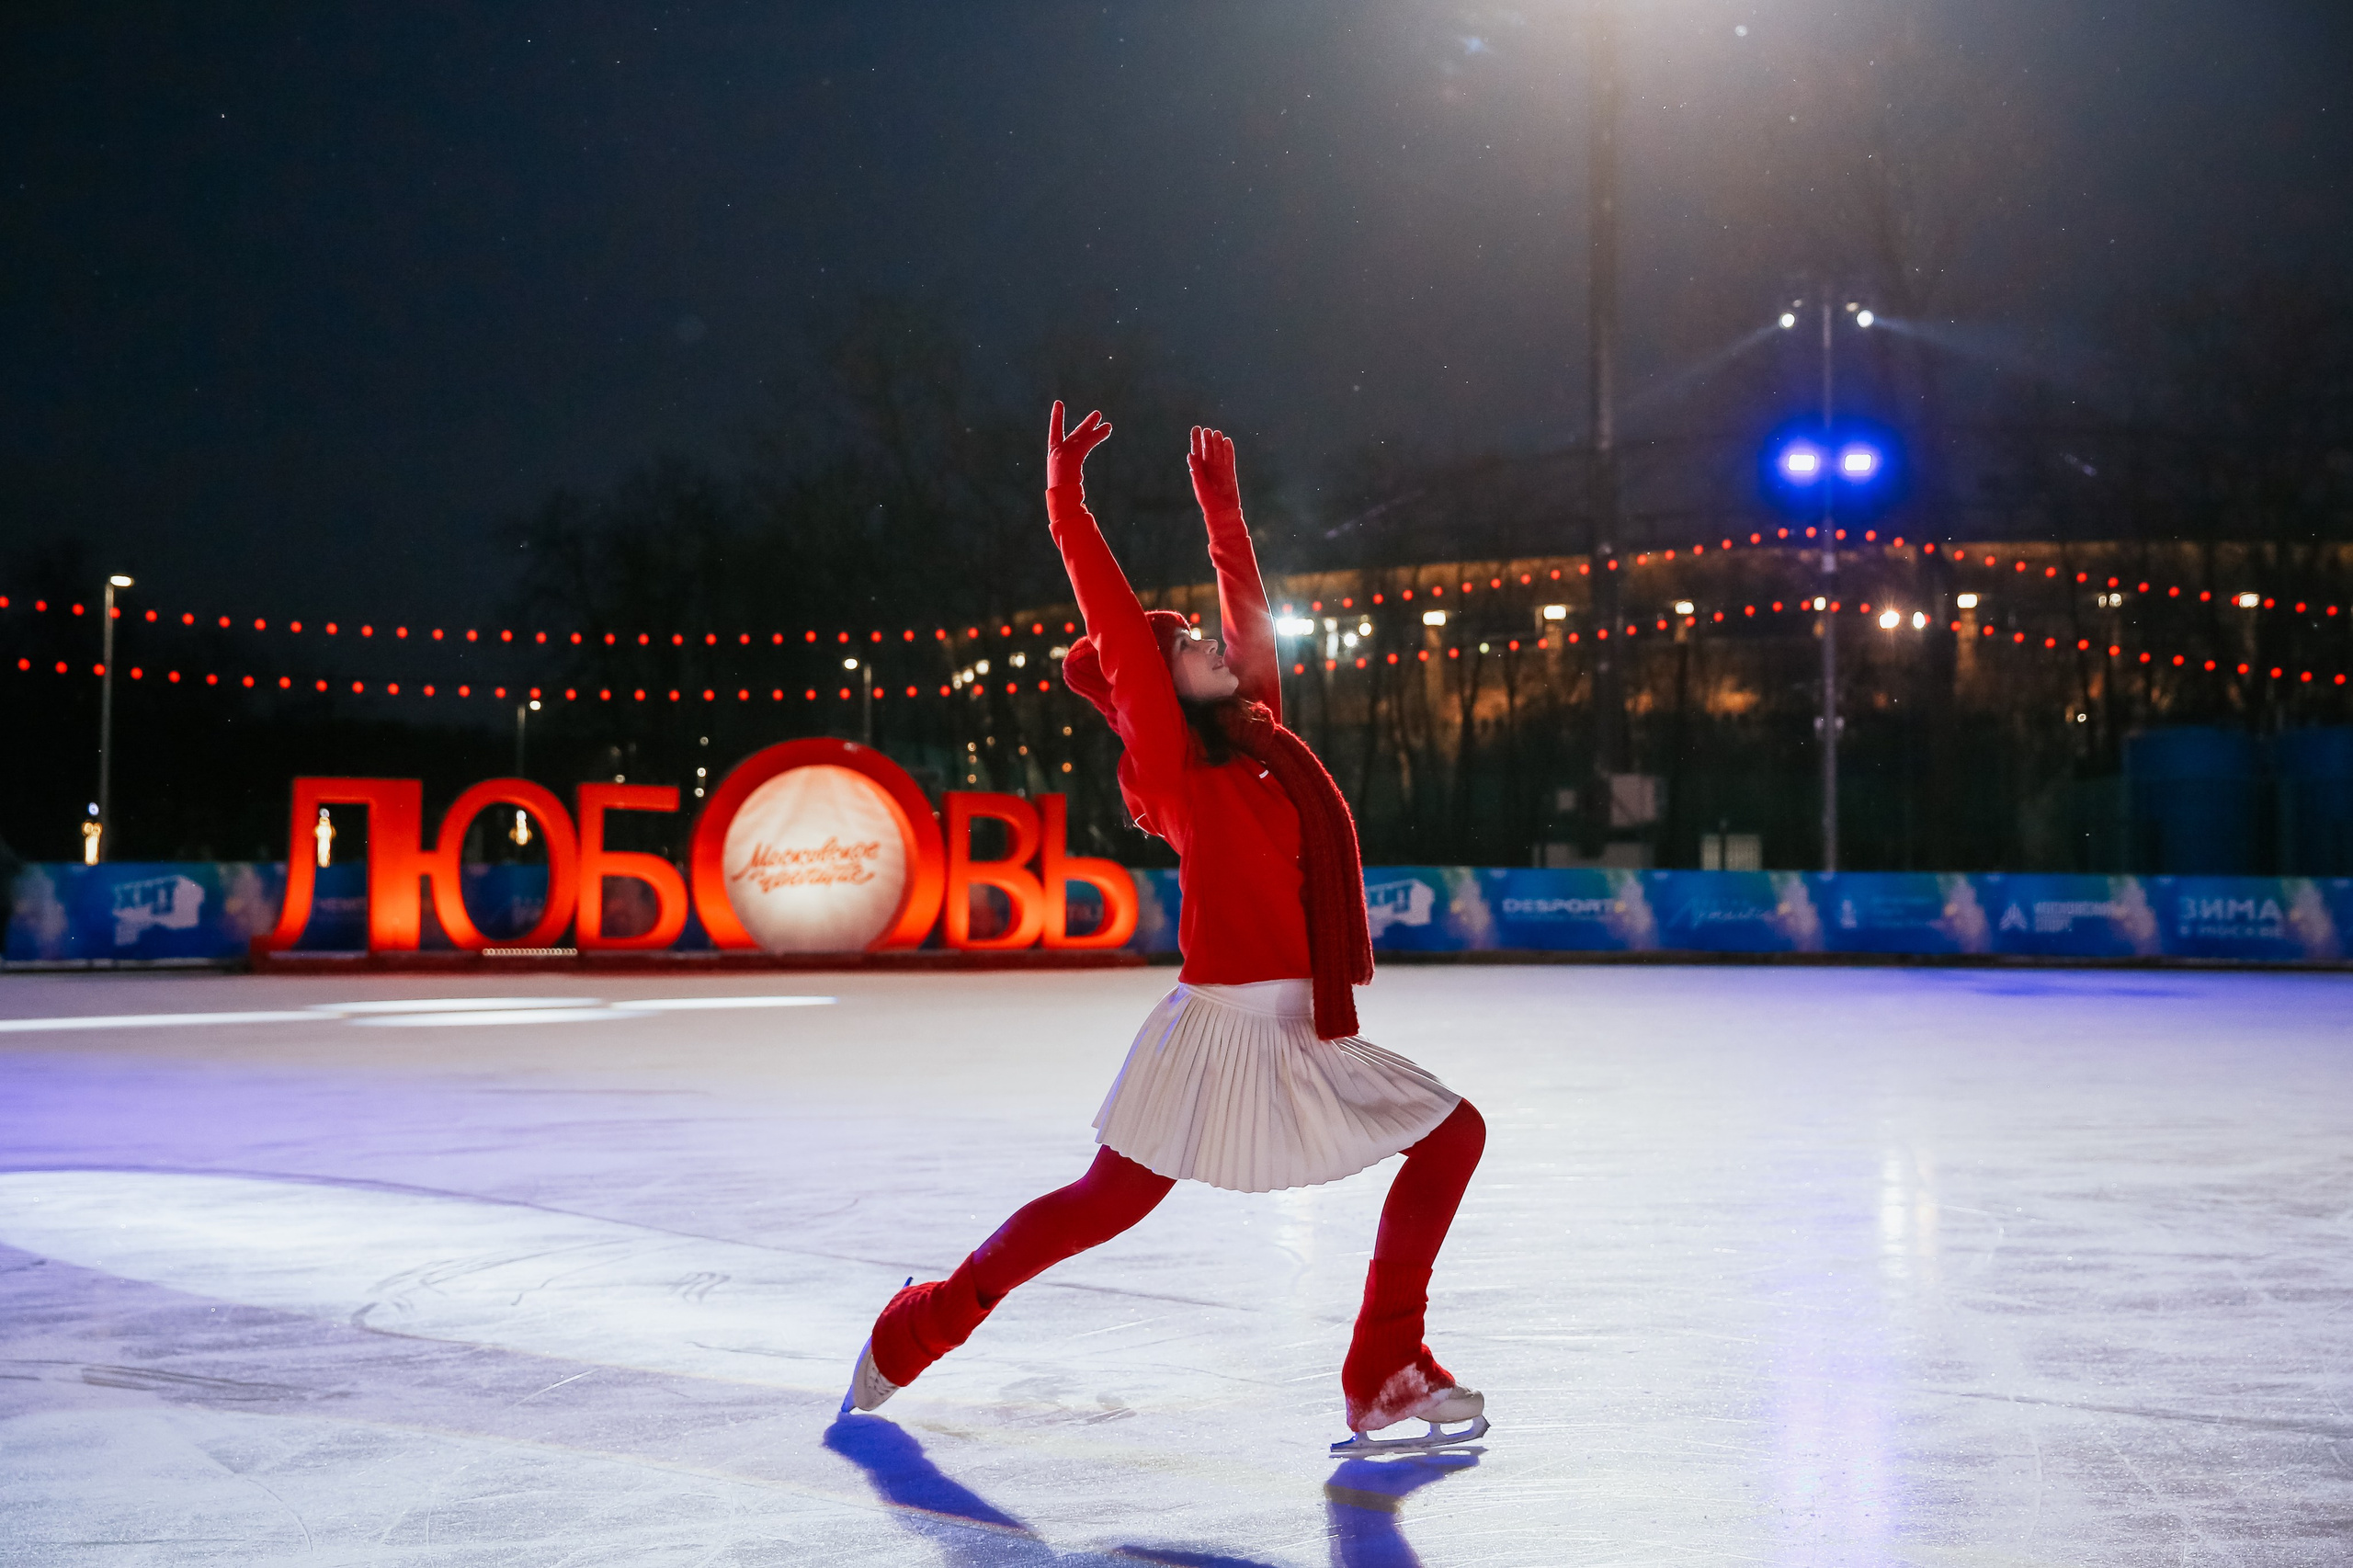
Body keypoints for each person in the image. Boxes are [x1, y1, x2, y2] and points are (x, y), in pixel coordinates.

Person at [843, 404, 1488, 1454]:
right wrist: (1067, 506)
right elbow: (1119, 638)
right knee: (1102, 1205)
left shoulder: (1261, 745)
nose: (1212, 646)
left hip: (1301, 1026)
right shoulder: (1174, 766)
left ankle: (1384, 1366)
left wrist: (1223, 511)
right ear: (1154, 686)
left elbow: (1251, 626)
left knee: (1453, 1134)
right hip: (1216, 1027)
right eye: (1188, 646)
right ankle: (921, 1323)